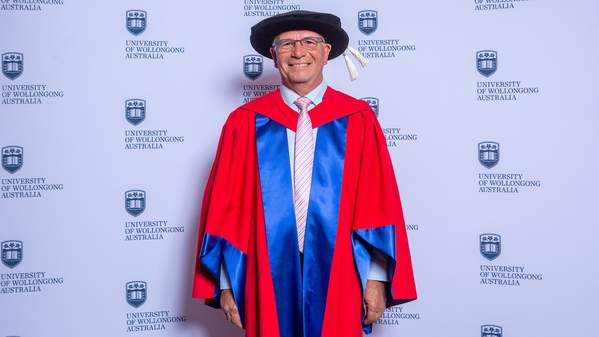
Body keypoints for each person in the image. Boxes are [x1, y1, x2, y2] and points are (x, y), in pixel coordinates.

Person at [192, 10, 416, 337]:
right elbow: (226, 211)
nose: (298, 52)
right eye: (286, 44)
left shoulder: (358, 119)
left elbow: (377, 206)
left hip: (341, 268)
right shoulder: (244, 123)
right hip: (265, 270)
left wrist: (376, 279)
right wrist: (227, 285)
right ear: (273, 55)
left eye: (309, 42)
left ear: (327, 52)